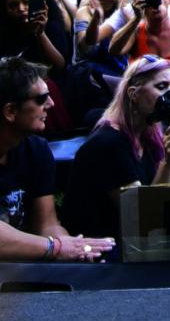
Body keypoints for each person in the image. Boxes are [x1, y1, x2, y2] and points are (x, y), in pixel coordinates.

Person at [62, 56, 170, 251]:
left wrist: (169, 161)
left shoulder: (147, 134)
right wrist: (167, 163)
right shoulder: (109, 144)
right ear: (133, 94)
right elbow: (141, 215)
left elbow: (152, 199)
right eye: (162, 87)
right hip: (96, 251)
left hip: (126, 240)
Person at [0, 57, 114, 262]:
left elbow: (46, 224)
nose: (51, 104)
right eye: (41, 99)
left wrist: (76, 249)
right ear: (10, 111)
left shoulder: (36, 150)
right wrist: (57, 247)